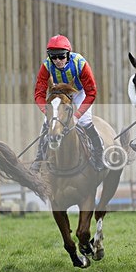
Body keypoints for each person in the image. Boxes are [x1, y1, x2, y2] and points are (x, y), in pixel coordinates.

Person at [32, 35, 105, 171]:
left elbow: (91, 93)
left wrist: (77, 115)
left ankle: (99, 155)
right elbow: (39, 94)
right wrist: (47, 111)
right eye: (53, 57)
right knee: (47, 122)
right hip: (59, 94)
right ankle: (39, 158)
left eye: (61, 56)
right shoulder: (46, 66)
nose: (58, 61)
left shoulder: (80, 63)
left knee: (84, 120)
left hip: (78, 92)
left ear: (68, 54)